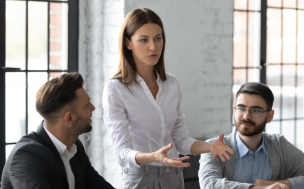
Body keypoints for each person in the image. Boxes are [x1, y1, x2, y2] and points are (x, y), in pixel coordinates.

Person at [102, 8, 234, 189]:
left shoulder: (172, 84)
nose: (153, 47)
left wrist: (209, 147)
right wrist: (154, 157)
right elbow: (122, 153)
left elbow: (179, 139)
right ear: (128, 43)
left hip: (174, 177)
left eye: (158, 38)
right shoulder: (116, 89)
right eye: (144, 40)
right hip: (140, 179)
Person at [1, 73, 114, 189]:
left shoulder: (75, 148)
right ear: (69, 118)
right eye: (87, 105)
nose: (93, 108)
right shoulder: (27, 156)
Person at [199, 82, 304, 189]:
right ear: (234, 110)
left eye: (255, 110)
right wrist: (257, 188)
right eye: (241, 108)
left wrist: (285, 183)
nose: (246, 116)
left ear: (269, 116)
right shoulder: (213, 146)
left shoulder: (279, 145)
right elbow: (209, 184)